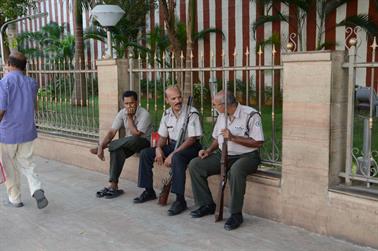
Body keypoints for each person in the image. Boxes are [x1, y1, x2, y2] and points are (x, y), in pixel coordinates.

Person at [188, 90, 264, 230]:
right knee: (196, 165)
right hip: (224, 154)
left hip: (247, 156)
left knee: (235, 172)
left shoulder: (251, 115)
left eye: (215, 104)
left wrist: (233, 138)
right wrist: (209, 150)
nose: (213, 107)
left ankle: (236, 214)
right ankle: (207, 205)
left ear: (225, 104)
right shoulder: (222, 116)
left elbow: (258, 142)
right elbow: (218, 137)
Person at [134, 86, 202, 216]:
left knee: (177, 158)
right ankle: (148, 191)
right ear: (167, 100)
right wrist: (159, 148)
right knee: (146, 154)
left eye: (179, 97)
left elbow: (192, 139)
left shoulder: (192, 113)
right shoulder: (166, 114)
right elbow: (163, 137)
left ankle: (180, 200)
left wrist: (172, 154)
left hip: (190, 147)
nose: (178, 101)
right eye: (173, 98)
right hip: (173, 145)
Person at [0, 52, 48, 209]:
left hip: (7, 133)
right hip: (27, 131)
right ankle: (37, 188)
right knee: (27, 163)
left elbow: (2, 109)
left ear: (9, 63)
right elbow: (34, 106)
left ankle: (15, 199)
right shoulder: (31, 83)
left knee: (9, 167)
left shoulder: (5, 82)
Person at [91, 90, 152, 199]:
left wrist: (129, 117)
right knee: (116, 150)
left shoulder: (144, 114)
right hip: (129, 143)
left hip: (143, 143)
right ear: (124, 104)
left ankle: (106, 146)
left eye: (131, 103)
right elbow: (111, 132)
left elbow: (137, 134)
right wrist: (102, 144)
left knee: (131, 139)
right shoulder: (122, 112)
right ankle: (113, 186)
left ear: (137, 102)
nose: (129, 106)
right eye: (126, 104)